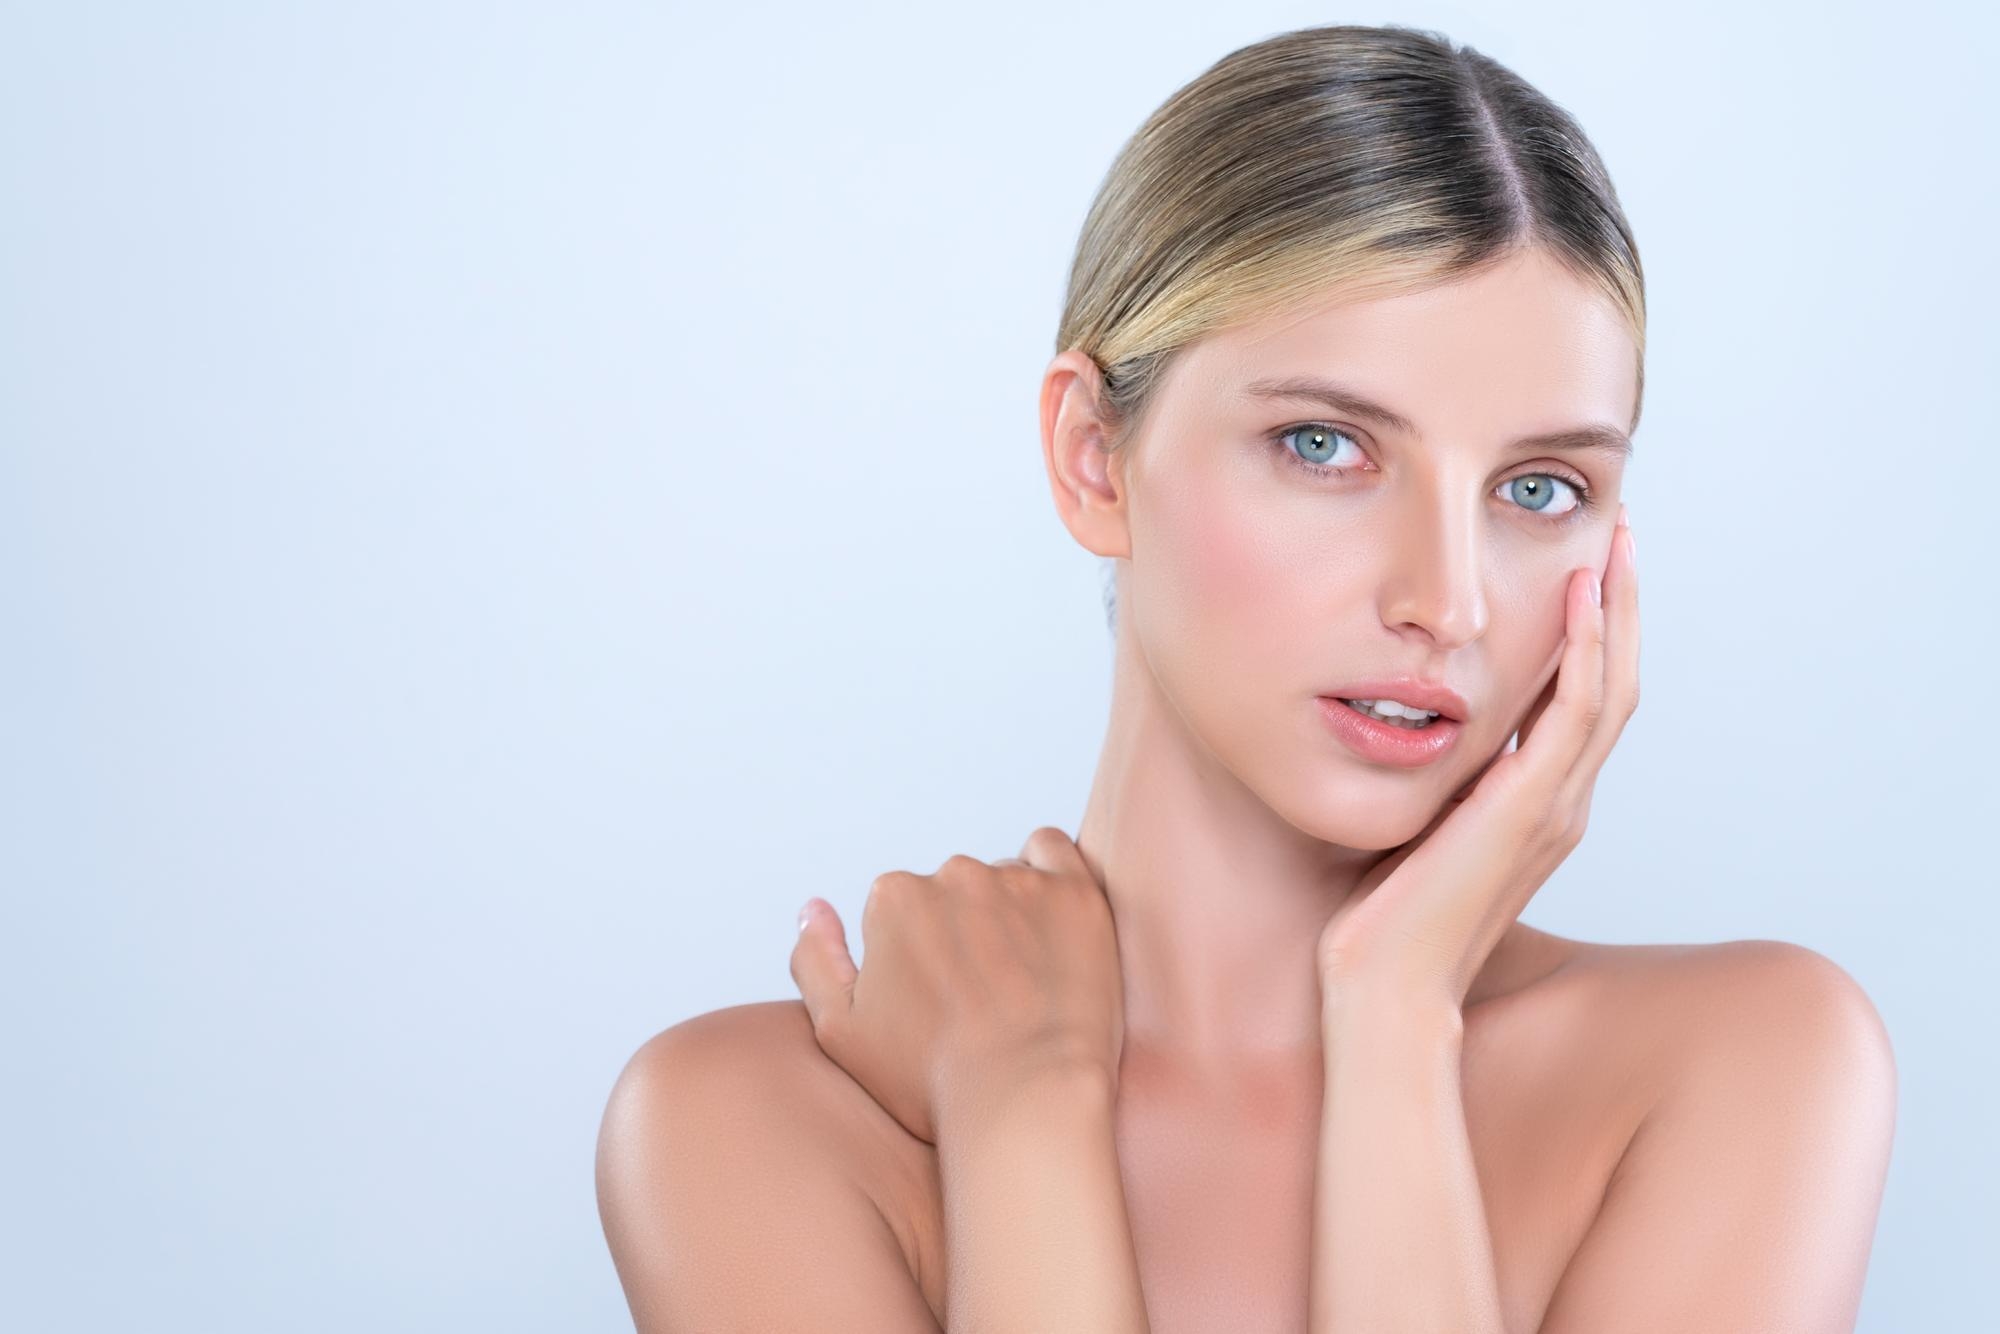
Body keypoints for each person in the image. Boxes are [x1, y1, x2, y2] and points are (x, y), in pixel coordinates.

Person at [595, 22, 1895, 1332]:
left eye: (1540, 488)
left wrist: (1395, 1017)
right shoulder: (747, 1122)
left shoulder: (1747, 1065)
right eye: (1325, 445)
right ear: (1094, 458)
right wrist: (1025, 1101)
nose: (1448, 602)